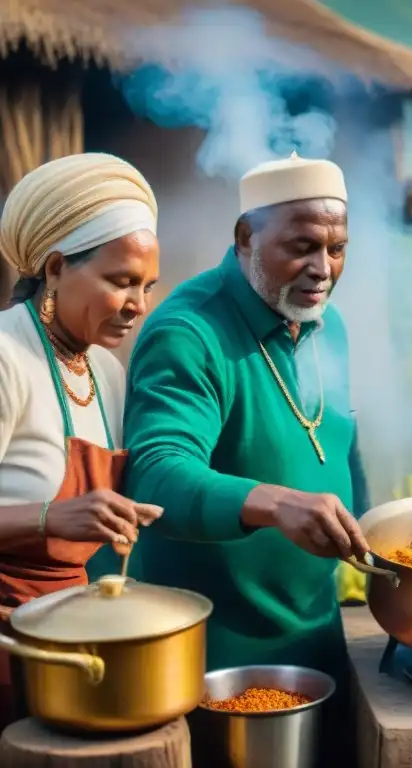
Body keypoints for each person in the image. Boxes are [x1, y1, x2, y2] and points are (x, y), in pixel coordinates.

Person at [122, 152, 369, 764]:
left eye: (337, 248)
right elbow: (156, 472)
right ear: (245, 238)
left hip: (319, 635)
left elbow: (337, 442)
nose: (323, 269)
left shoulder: (325, 324)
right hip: (220, 662)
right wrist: (276, 502)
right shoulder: (189, 332)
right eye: (301, 246)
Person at [0, 152, 163, 728]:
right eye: (121, 281)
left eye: (147, 286)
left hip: (65, 639)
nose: (138, 306)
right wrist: (51, 517)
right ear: (54, 268)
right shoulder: (5, 357)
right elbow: (59, 516)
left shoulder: (106, 371)